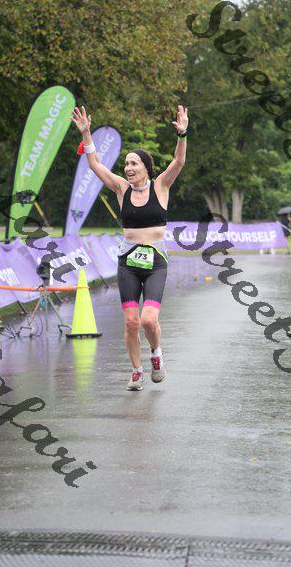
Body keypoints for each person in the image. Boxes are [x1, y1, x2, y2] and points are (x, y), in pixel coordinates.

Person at [71, 105, 188, 391]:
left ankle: (156, 354)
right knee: (131, 322)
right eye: (126, 164)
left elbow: (178, 161)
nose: (128, 168)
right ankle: (136, 371)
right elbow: (95, 165)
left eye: (134, 163)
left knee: (148, 320)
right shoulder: (121, 188)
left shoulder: (161, 186)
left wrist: (183, 134)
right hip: (128, 262)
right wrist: (86, 134)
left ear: (146, 167)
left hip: (156, 261)